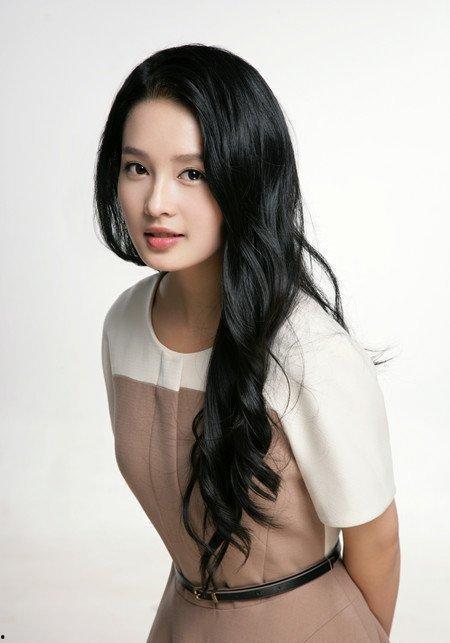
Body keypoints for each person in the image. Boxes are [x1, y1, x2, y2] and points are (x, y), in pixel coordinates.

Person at [96, 43, 400, 642]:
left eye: (193, 173)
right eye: (137, 168)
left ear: (245, 175)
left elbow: (378, 541)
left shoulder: (308, 349)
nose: (157, 203)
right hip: (181, 618)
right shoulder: (123, 324)